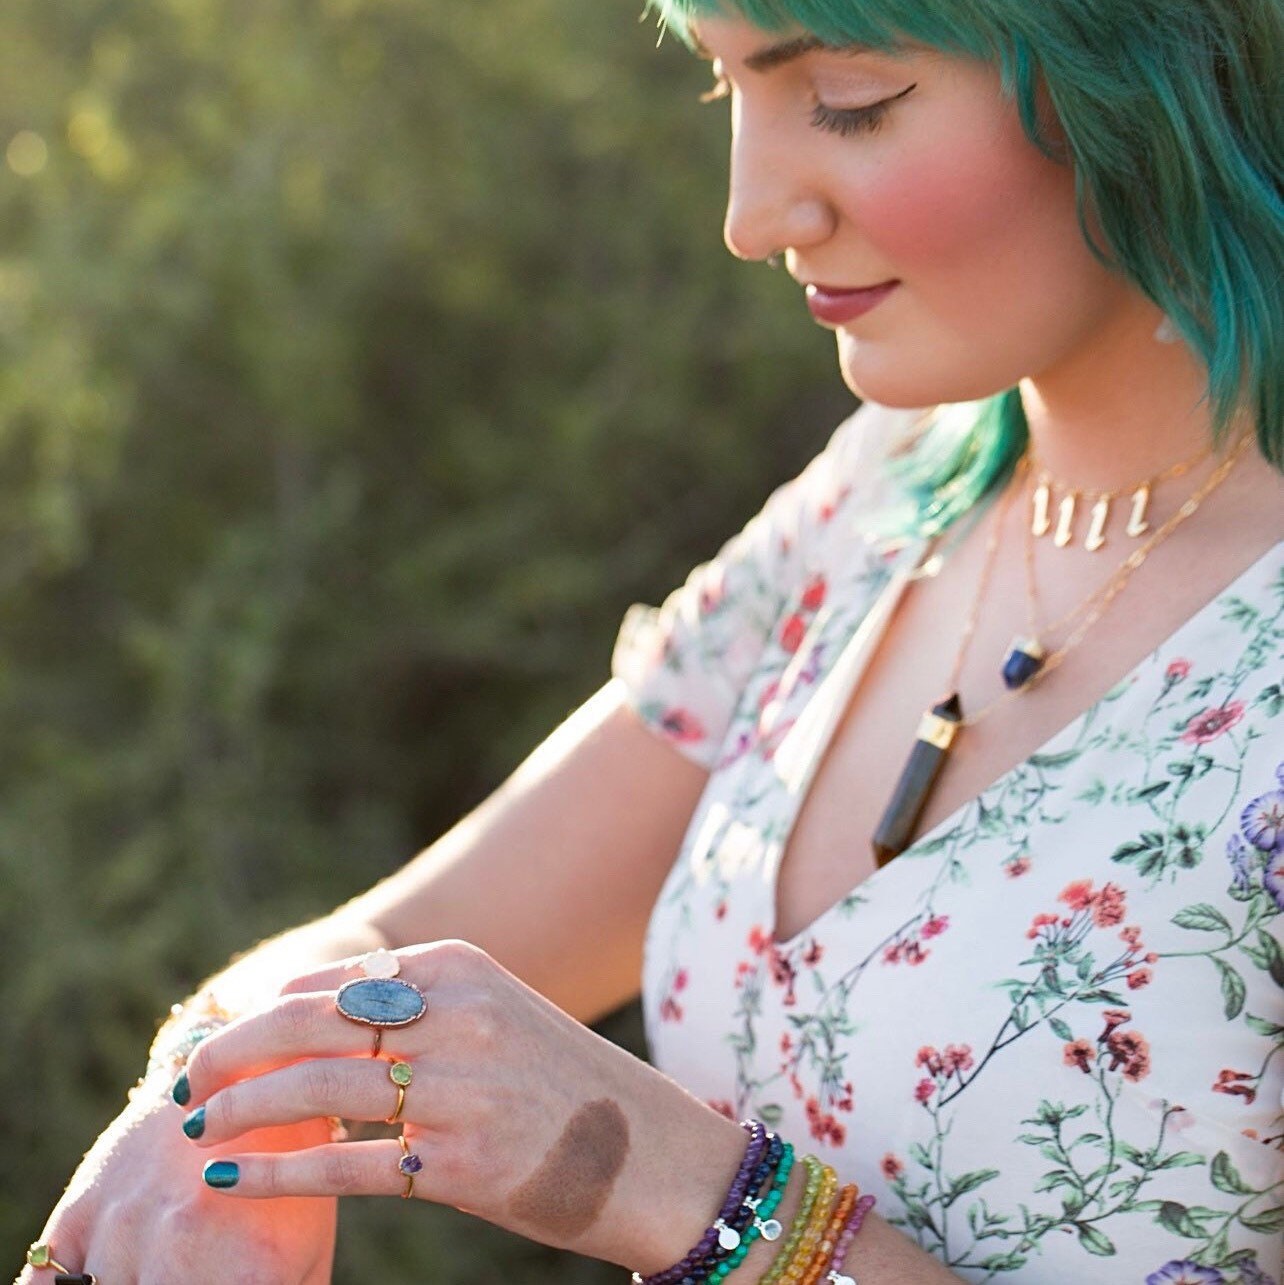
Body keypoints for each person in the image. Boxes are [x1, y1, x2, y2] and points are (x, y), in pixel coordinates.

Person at [19, 0, 1284, 1279]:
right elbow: (398, 939)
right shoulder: (883, 498)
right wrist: (202, 1113)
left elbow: (643, 1157)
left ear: (1153, 69)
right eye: (724, 87)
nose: (750, 215)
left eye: (848, 96)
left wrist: (658, 1178)